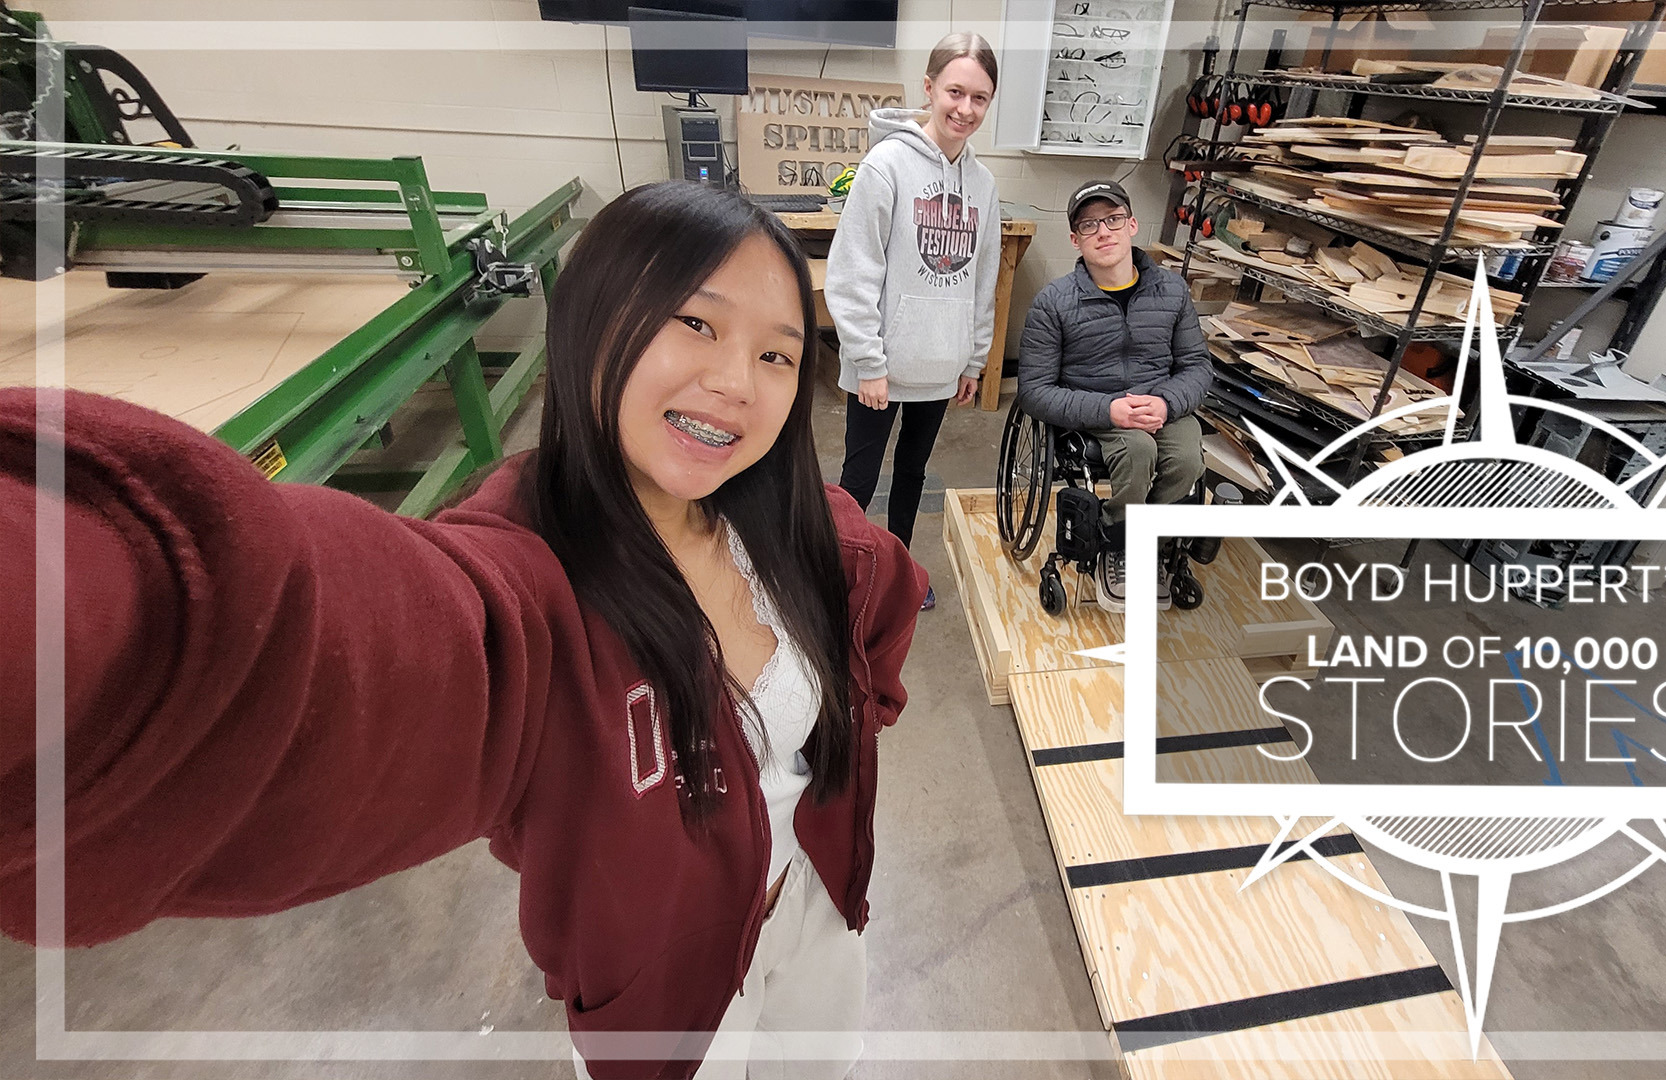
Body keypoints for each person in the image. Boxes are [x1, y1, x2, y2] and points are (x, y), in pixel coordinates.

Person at [0, 182, 928, 1080]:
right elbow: (299, 634)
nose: (737, 383)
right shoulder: (532, 588)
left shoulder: (808, 531)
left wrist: (852, 744)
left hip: (816, 911)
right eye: (696, 322)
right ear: (591, 321)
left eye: (778, 354)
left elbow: (882, 614)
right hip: (669, 995)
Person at [828, 31, 1001, 612]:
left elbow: (983, 281)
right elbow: (852, 275)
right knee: (859, 479)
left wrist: (972, 359)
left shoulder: (984, 185)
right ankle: (842, 580)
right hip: (880, 368)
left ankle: (896, 573)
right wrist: (869, 362)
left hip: (941, 366)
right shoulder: (886, 167)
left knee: (913, 473)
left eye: (980, 98)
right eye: (955, 92)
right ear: (928, 89)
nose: (965, 109)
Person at [1015, 180, 1212, 614]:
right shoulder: (1054, 304)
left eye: (1113, 220)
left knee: (1187, 460)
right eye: (1089, 226)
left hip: (1161, 403)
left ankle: (1146, 541)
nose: (1103, 232)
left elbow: (1197, 367)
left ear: (1132, 225)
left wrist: (1166, 403)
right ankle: (1118, 543)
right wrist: (1109, 410)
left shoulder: (1172, 291)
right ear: (1075, 240)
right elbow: (1033, 391)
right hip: (1096, 409)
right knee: (1138, 452)